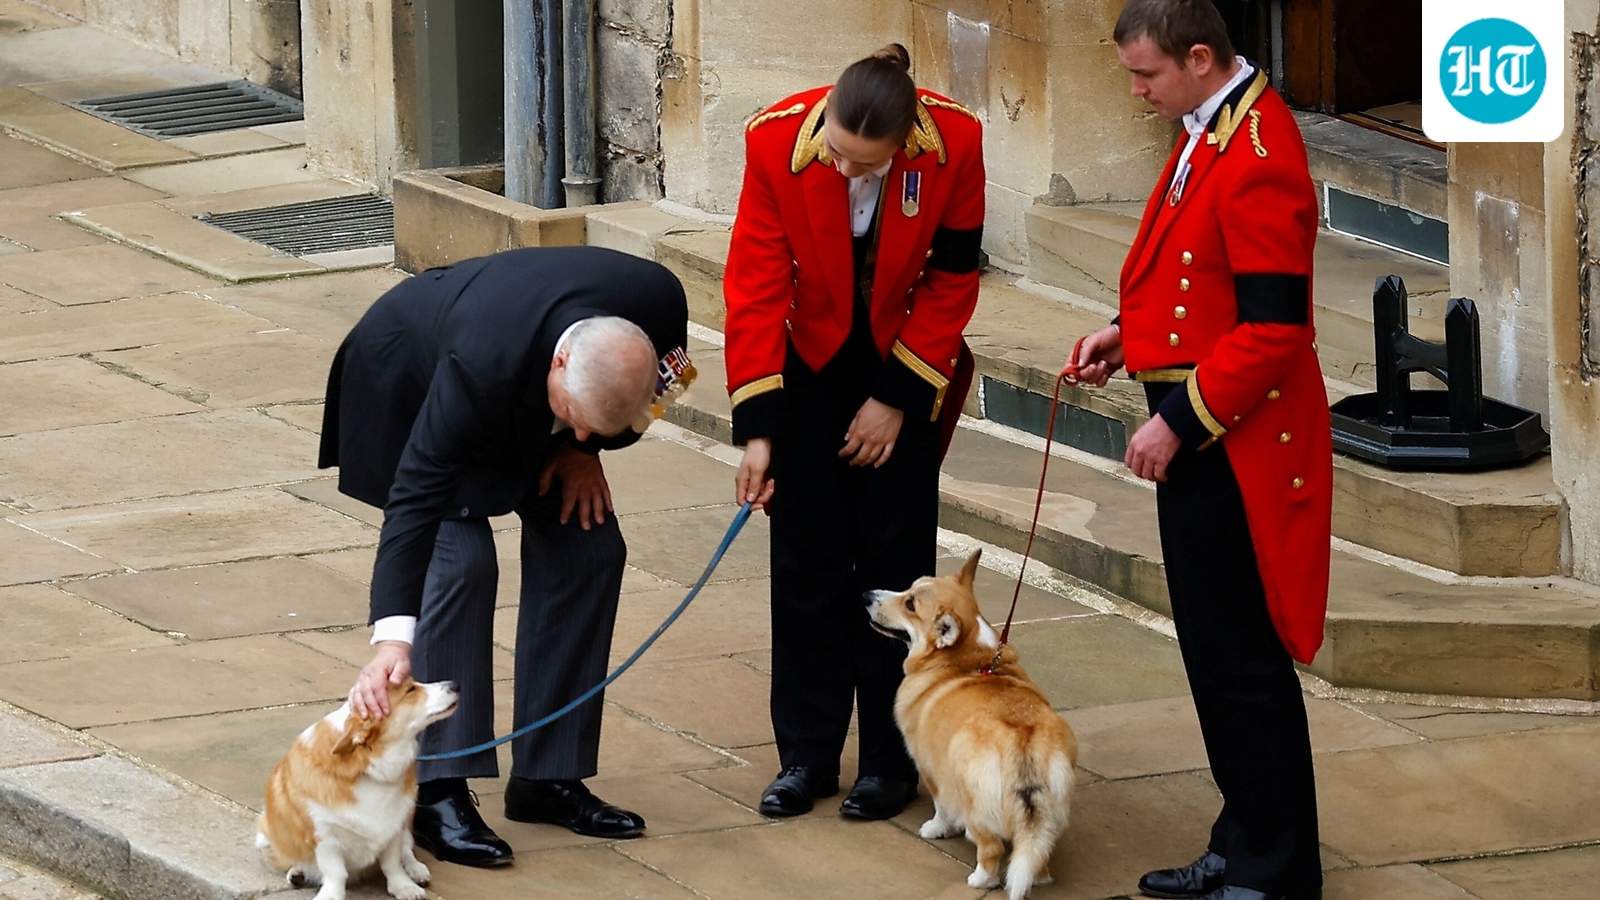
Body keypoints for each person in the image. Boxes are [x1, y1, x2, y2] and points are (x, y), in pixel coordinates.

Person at [1070, 3, 1331, 900]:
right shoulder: (1212, 126)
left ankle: (1275, 870)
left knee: (1241, 657)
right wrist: (1127, 336)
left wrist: (1177, 420)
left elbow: (1274, 328)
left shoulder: (1258, 151)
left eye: (1145, 75)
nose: (1136, 93)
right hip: (1210, 433)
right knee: (1213, 654)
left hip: (1237, 444)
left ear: (1198, 58)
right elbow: (1195, 273)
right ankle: (1242, 837)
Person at [319, 246, 690, 868]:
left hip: (525, 397)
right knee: (461, 563)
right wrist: (392, 640)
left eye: (593, 427)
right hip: (408, 387)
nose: (582, 432)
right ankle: (437, 788)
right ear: (561, 364)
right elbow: (415, 501)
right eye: (575, 419)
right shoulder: (480, 360)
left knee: (589, 549)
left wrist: (583, 452)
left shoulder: (659, 303)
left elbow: (668, 386)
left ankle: (549, 776)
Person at [723, 43, 985, 821]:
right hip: (806, 369)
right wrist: (759, 432)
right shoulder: (774, 140)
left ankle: (889, 765)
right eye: (835, 151)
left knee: (896, 572)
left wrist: (895, 398)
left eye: (863, 164)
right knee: (806, 565)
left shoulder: (956, 142)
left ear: (905, 143)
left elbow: (953, 277)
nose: (841, 169)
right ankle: (805, 757)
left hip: (903, 362)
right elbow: (755, 285)